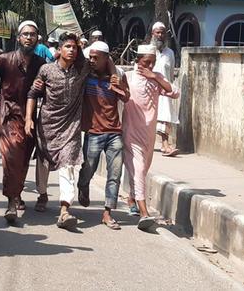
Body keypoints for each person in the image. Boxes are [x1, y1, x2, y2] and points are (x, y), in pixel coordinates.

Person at [0, 20, 46, 224]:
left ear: (37, 39)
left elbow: (45, 91)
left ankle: (16, 192)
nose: (29, 37)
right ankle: (11, 203)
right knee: (12, 156)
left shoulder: (40, 64)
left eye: (33, 34)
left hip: (30, 117)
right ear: (18, 38)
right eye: (25, 34)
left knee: (24, 157)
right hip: (8, 114)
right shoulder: (4, 60)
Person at [26, 32, 89, 230]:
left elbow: (106, 61)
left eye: (75, 47)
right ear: (59, 49)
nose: (71, 50)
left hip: (71, 126)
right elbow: (33, 93)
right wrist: (29, 119)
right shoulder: (46, 70)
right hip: (47, 125)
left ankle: (64, 209)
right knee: (43, 161)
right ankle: (42, 194)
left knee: (68, 164)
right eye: (68, 46)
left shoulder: (82, 69)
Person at [123, 44, 179, 231]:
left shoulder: (157, 79)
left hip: (148, 136)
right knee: (138, 171)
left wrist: (155, 77)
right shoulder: (128, 78)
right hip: (131, 133)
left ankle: (132, 198)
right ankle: (145, 213)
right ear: (137, 60)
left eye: (153, 63)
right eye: (146, 63)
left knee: (142, 170)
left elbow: (174, 92)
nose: (149, 66)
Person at [77, 41, 129, 230]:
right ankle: (83, 185)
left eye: (95, 58)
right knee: (88, 169)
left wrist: (118, 85)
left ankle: (107, 213)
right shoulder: (85, 75)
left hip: (114, 133)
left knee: (114, 174)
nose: (91, 61)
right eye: (90, 57)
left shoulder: (119, 76)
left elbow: (126, 97)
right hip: (93, 132)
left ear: (106, 59)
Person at [151, 22, 180, 157]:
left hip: (165, 90)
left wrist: (168, 88)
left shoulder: (170, 53)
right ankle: (151, 144)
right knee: (150, 119)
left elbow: (171, 73)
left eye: (162, 32)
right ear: (153, 34)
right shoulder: (148, 50)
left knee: (165, 117)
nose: (160, 35)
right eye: (157, 32)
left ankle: (165, 144)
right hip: (150, 90)